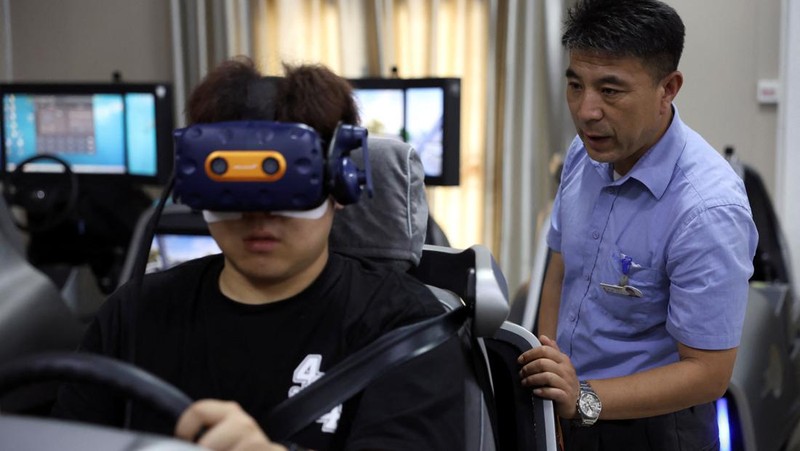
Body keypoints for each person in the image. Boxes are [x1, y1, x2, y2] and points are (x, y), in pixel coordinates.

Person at [52, 57, 467, 451]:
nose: (259, 214)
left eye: (286, 184)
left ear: (340, 182)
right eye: (233, 182)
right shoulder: (132, 315)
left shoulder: (407, 328)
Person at [517, 0, 759, 449]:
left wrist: (583, 398)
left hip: (655, 428)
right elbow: (560, 267)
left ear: (668, 88)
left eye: (610, 91)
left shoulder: (707, 210)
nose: (586, 111)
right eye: (575, 85)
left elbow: (708, 374)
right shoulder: (584, 153)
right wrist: (554, 387)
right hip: (569, 408)